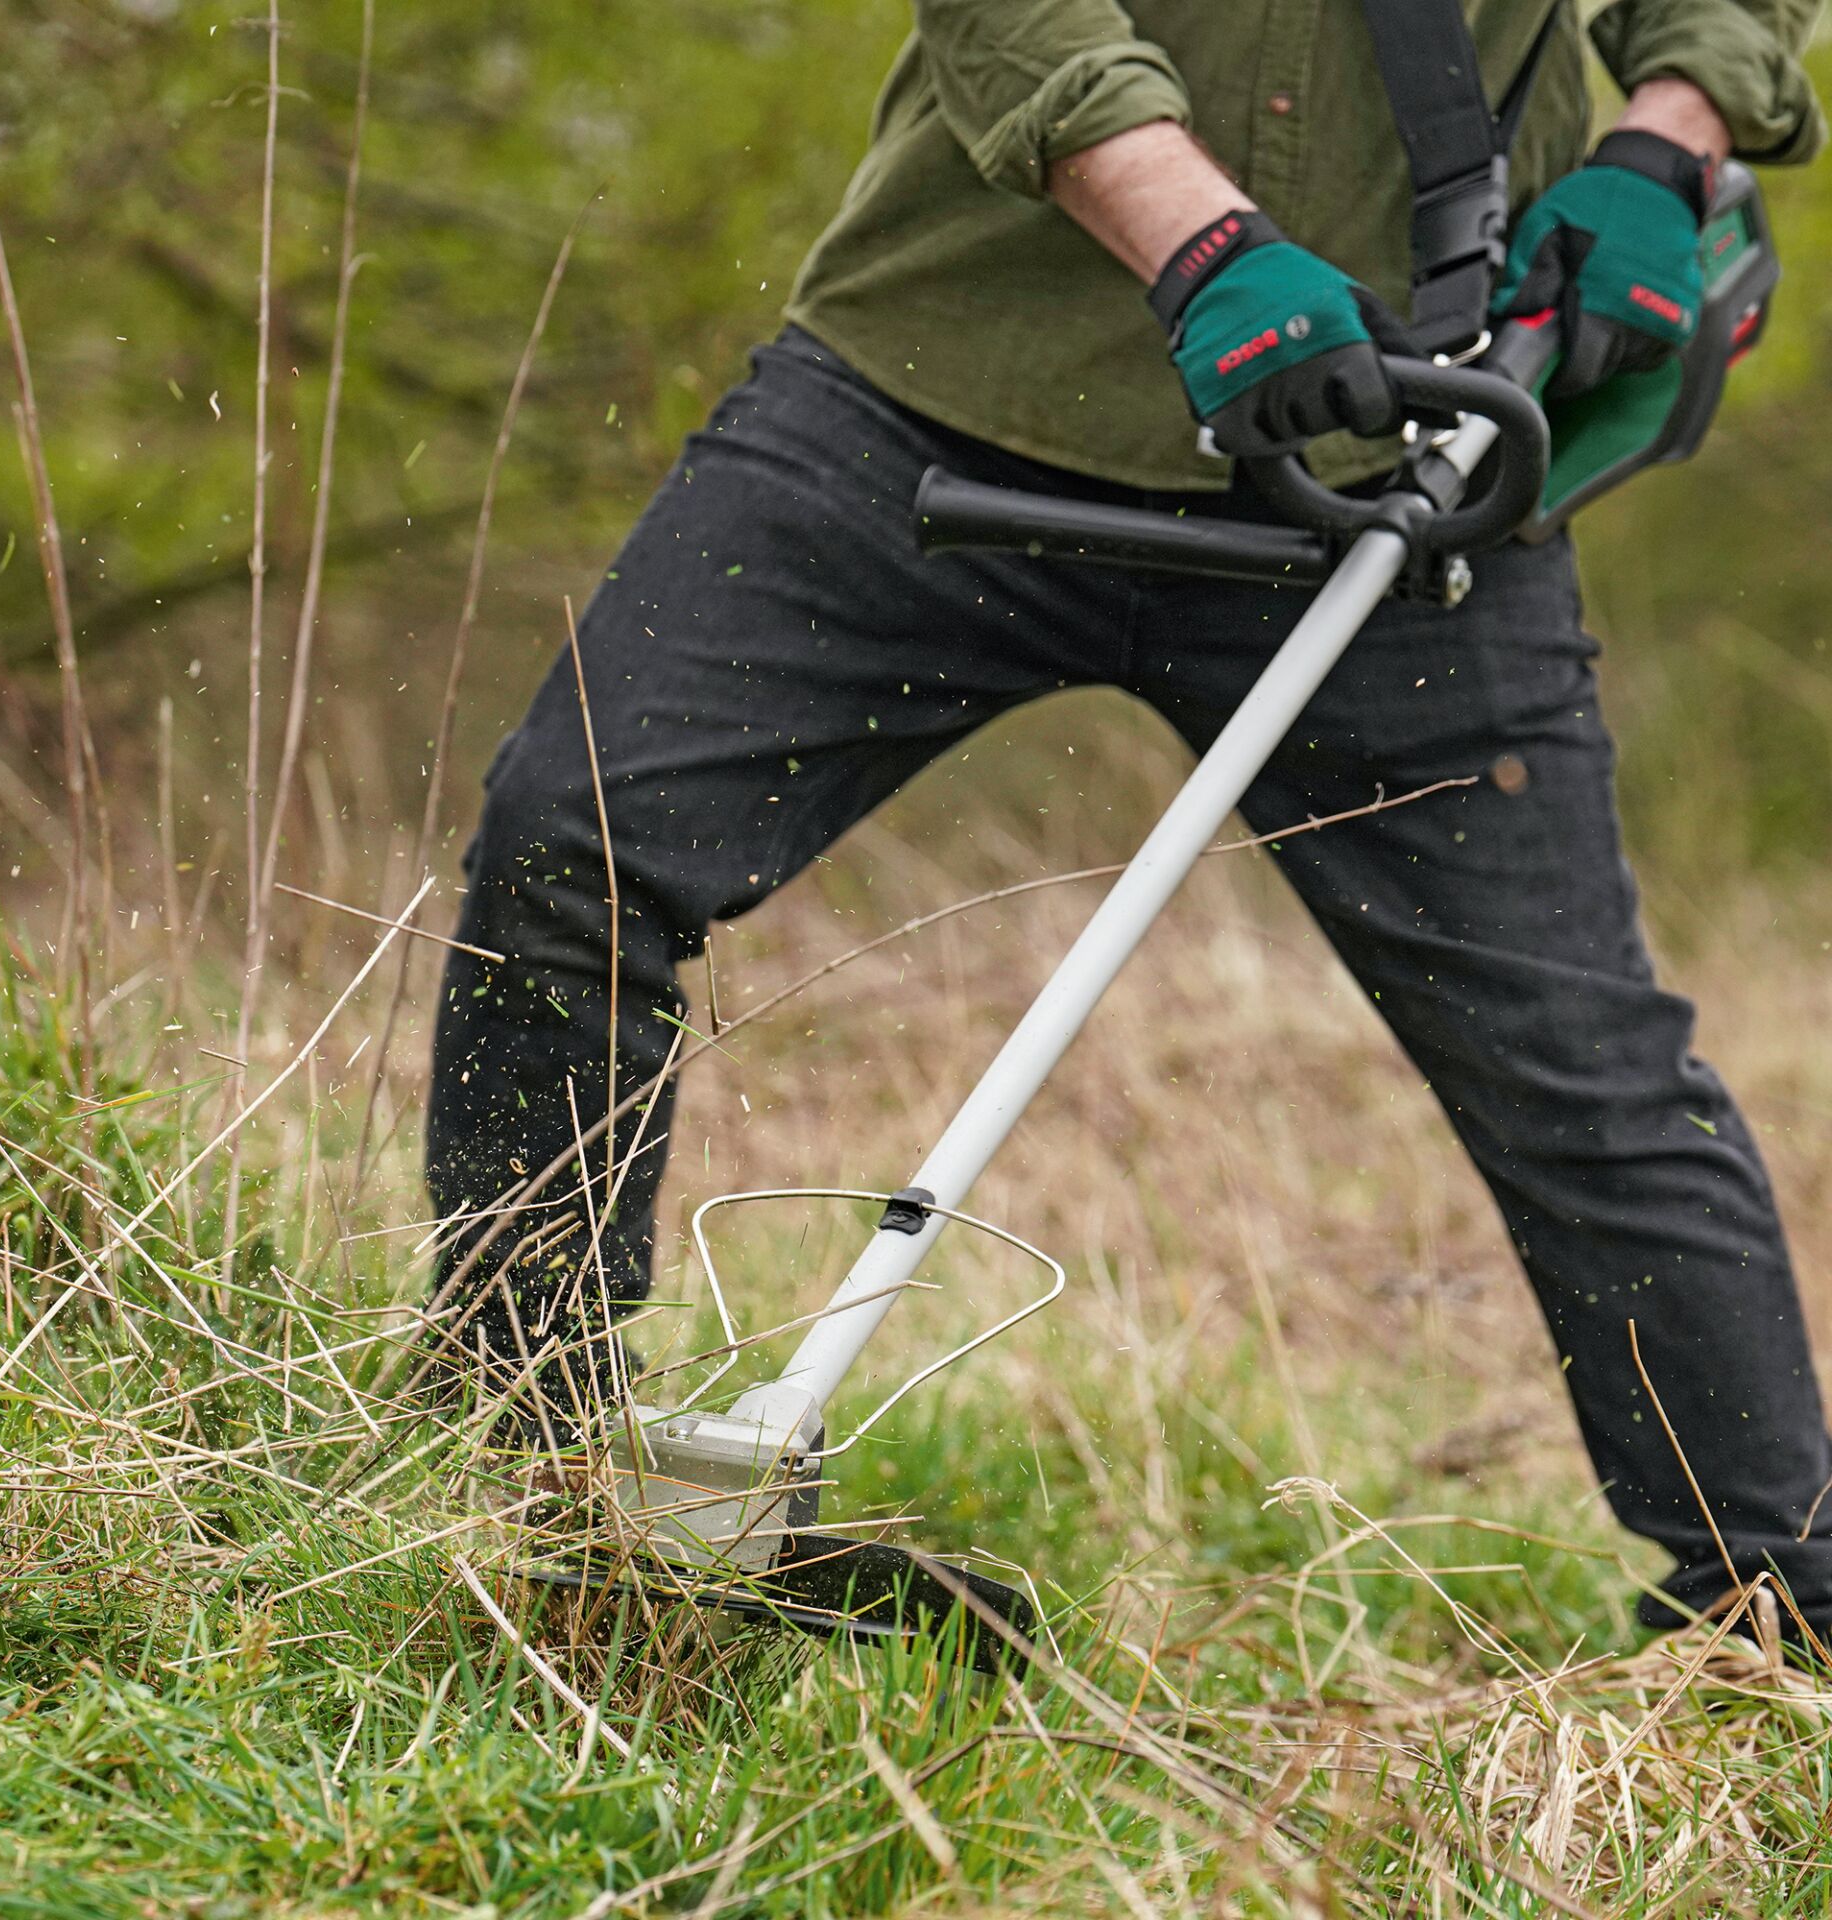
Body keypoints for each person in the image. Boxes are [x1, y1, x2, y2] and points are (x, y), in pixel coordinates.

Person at [426, 1, 1832, 1642]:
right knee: (570, 839)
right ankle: (521, 1473)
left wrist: (1669, 138)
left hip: (1410, 445)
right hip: (946, 390)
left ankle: (1777, 1633)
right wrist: (1202, 241)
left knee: (1580, 1072)